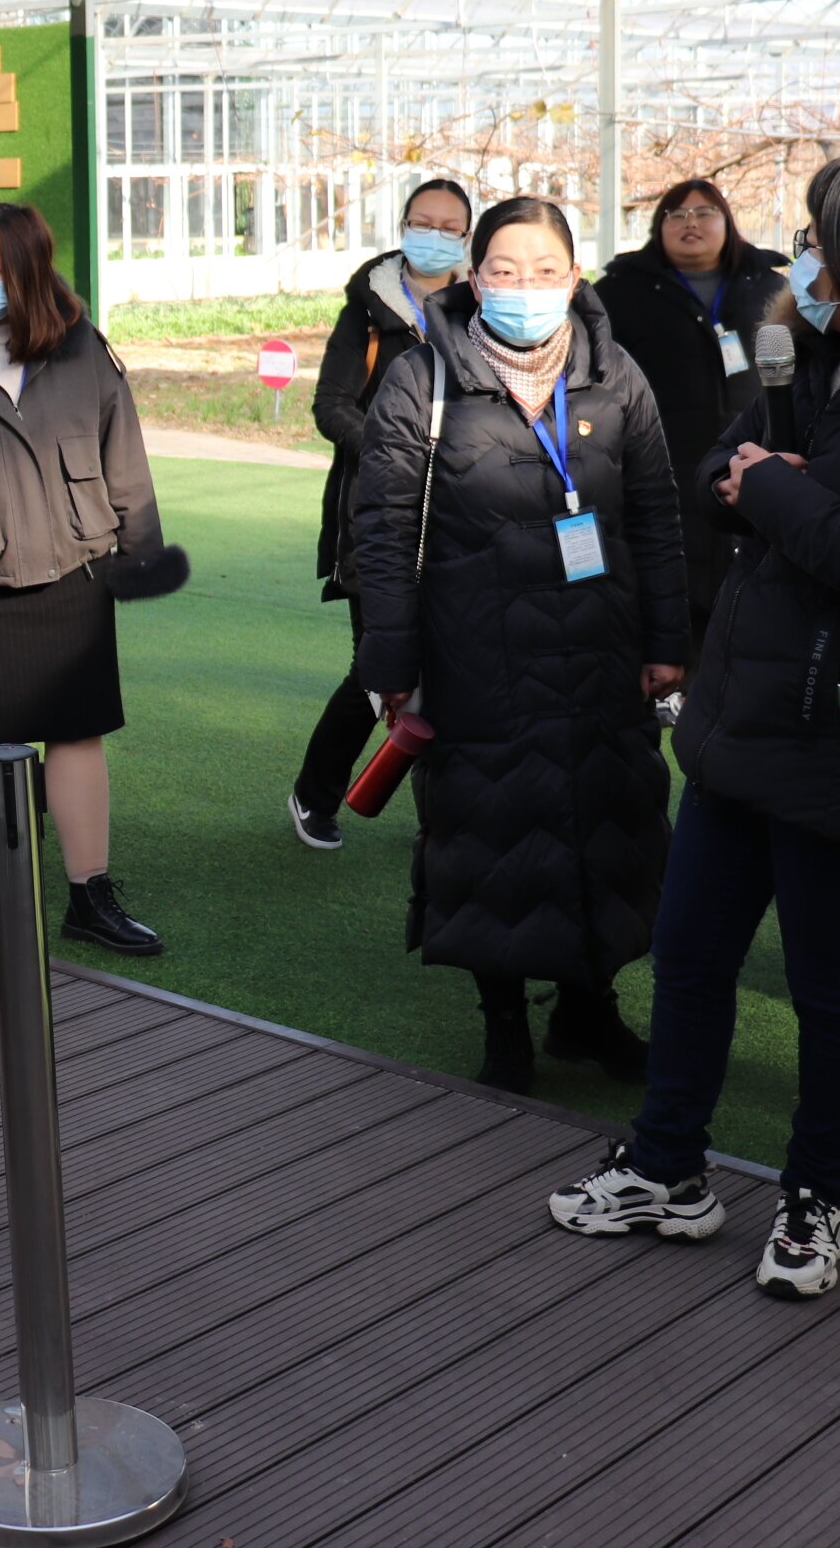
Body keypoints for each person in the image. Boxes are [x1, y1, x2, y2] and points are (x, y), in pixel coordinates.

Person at [548, 154, 840, 1299]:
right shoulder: (806, 350)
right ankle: (668, 1164)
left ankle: (817, 1199)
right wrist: (761, 478)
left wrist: (774, 488)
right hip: (745, 710)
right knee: (692, 955)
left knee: (831, 990)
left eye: (823, 236)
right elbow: (724, 462)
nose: (804, 255)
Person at [349, 195, 690, 1094]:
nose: (525, 287)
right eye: (504, 270)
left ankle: (589, 1010)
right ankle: (503, 1023)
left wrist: (667, 641)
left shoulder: (617, 375)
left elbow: (656, 516)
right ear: (474, 276)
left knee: (607, 831)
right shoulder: (421, 378)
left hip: (601, 652)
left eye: (545, 270)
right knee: (488, 837)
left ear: (574, 278)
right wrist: (390, 664)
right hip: (475, 658)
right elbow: (381, 531)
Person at [0, 202, 178, 957]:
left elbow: (124, 457)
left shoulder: (83, 348)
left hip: (74, 573)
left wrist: (141, 552)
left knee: (78, 736)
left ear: (31, 273)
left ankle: (89, 895)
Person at [286, 176, 472, 850]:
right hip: (380, 512)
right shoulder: (368, 308)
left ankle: (448, 811)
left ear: (467, 237)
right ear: (402, 225)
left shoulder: (485, 303)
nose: (435, 235)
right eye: (423, 221)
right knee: (378, 667)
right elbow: (330, 406)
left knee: (459, 662)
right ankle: (315, 793)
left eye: (449, 227)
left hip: (462, 510)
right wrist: (398, 453)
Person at [595, 177, 791, 655]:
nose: (691, 223)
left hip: (753, 470)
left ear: (728, 222)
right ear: (658, 226)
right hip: (656, 470)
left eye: (705, 213)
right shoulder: (620, 293)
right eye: (676, 214)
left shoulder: (773, 288)